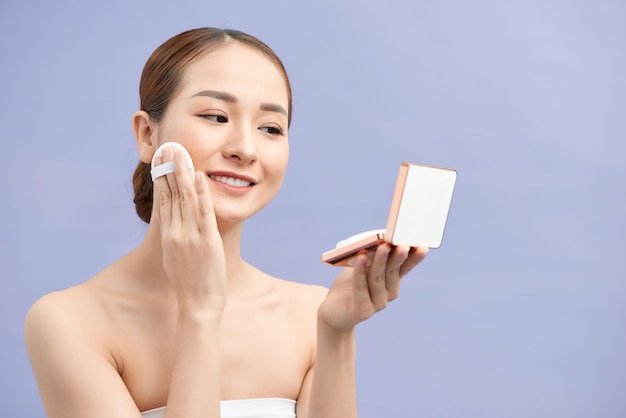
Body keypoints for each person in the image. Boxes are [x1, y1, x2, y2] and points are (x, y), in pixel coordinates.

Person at [24, 27, 428, 418]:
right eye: (216, 117)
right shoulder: (68, 321)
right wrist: (200, 310)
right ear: (148, 134)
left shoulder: (312, 313)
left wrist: (336, 333)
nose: (245, 149)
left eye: (271, 128)